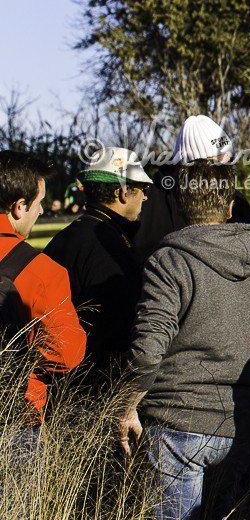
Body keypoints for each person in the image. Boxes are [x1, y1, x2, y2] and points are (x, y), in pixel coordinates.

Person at [116, 164, 250, 520]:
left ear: (180, 206)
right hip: (241, 420)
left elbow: (148, 348)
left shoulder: (169, 261)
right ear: (229, 206)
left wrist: (128, 405)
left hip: (177, 420)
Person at [0, 151, 87, 474]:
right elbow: (67, 354)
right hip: (16, 416)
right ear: (18, 206)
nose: (40, 210)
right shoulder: (42, 271)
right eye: (38, 201)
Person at [43, 145, 151, 375]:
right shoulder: (111, 248)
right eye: (143, 187)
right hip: (92, 388)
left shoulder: (62, 238)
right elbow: (118, 332)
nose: (146, 195)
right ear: (123, 193)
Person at [134, 114, 250, 264]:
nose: (227, 168)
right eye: (219, 160)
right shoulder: (147, 202)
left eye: (229, 158)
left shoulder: (237, 201)